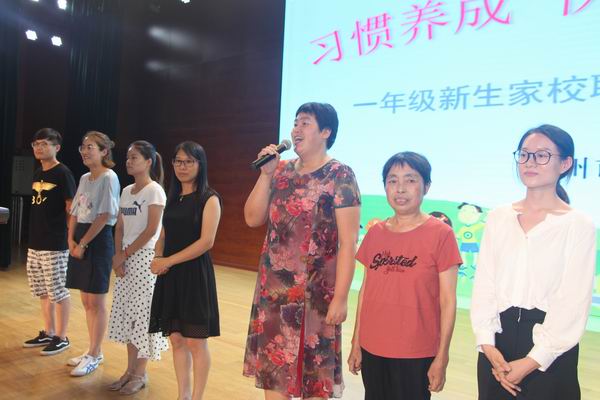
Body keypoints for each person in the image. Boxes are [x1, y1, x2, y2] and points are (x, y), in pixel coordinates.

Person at [243, 102, 361, 399]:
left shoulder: (340, 175)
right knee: (275, 376)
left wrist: (341, 298)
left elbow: (349, 243)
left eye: (305, 123)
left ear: (326, 132)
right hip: (275, 292)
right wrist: (265, 175)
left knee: (314, 380)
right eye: (295, 123)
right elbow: (252, 218)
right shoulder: (280, 171)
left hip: (316, 296)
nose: (296, 129)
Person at [470, 124, 597, 399]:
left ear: (565, 164)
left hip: (549, 350)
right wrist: (487, 344)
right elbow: (485, 284)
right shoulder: (498, 217)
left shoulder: (578, 224)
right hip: (497, 345)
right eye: (524, 154)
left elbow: (572, 301)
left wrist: (533, 360)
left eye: (542, 155)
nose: (530, 162)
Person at [348, 152, 461, 400]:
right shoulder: (375, 233)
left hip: (416, 352)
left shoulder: (441, 234)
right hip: (373, 347)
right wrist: (356, 341)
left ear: (426, 186)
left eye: (410, 180)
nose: (400, 188)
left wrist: (442, 356)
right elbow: (366, 291)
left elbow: (448, 301)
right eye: (392, 180)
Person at [148, 141, 221, 400]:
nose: (182, 166)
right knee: (177, 339)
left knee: (196, 342)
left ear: (200, 165)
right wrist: (158, 256)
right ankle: (184, 395)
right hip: (171, 275)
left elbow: (206, 242)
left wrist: (168, 260)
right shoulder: (173, 197)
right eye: (178, 161)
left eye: (189, 161)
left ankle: (197, 397)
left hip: (194, 275)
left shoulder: (209, 198)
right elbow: (163, 234)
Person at [107, 141, 169, 394]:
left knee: (142, 318)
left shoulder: (154, 191)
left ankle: (140, 373)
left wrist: (124, 254)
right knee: (128, 317)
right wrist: (118, 256)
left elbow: (152, 230)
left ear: (148, 162)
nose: (129, 161)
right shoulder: (126, 190)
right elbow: (120, 227)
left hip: (144, 259)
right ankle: (129, 370)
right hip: (125, 257)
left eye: (134, 157)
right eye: (128, 157)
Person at [66, 131, 120, 376]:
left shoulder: (109, 177)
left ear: (104, 151)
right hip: (81, 237)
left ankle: (96, 354)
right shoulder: (85, 178)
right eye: (83, 147)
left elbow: (105, 215)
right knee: (86, 301)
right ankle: (91, 350)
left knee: (96, 302)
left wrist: (83, 244)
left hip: (97, 240)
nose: (85, 151)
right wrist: (70, 239)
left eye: (91, 147)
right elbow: (75, 212)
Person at [23, 128, 76, 356]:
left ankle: (61, 337)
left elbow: (71, 208)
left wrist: (69, 237)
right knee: (43, 291)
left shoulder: (63, 172)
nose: (39, 148)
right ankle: (48, 331)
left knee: (58, 291)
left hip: (55, 242)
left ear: (57, 147)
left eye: (44, 144)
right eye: (36, 144)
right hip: (35, 242)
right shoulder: (38, 173)